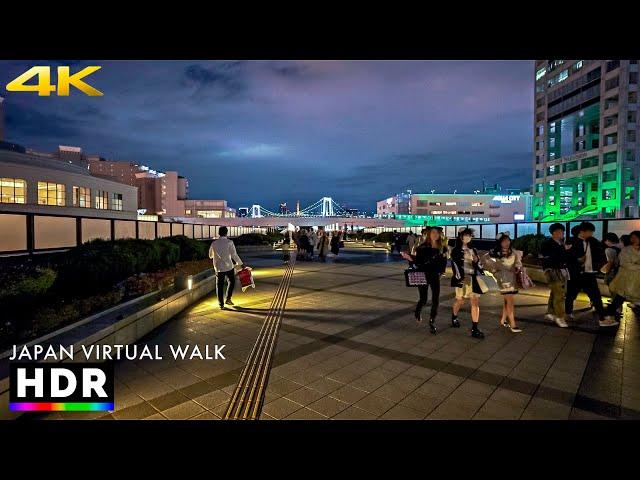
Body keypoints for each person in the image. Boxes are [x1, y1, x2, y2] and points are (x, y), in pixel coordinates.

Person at [565, 221, 618, 327]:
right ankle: (568, 312)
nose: (591, 234)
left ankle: (602, 319)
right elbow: (566, 257)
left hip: (590, 273)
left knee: (596, 296)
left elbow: (600, 253)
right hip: (576, 273)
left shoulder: (592, 241)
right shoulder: (572, 241)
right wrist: (577, 260)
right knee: (571, 294)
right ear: (582, 231)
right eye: (590, 232)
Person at [408, 227, 447, 334]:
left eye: (437, 233)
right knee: (423, 299)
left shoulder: (442, 248)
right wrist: (410, 258)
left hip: (435, 276)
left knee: (436, 300)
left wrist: (442, 272)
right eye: (433, 232)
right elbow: (418, 261)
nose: (435, 234)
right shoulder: (422, 247)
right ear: (429, 234)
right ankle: (417, 311)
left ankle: (432, 321)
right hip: (423, 275)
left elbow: (443, 262)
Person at [482, 233, 523, 333]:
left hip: (512, 279)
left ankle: (503, 320)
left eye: (508, 240)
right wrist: (495, 271)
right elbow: (485, 261)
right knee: (510, 300)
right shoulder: (495, 253)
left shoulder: (513, 252)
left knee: (507, 300)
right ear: (499, 243)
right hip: (503, 280)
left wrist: (518, 268)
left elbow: (518, 264)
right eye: (504, 241)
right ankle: (513, 324)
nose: (507, 243)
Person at [450, 228, 485, 339]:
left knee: (475, 303)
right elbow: (454, 265)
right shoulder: (455, 250)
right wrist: (460, 278)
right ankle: (454, 316)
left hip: (473, 279)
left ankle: (475, 328)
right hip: (462, 279)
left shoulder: (473, 249)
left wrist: (477, 261)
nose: (468, 237)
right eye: (466, 235)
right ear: (461, 237)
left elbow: (479, 266)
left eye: (469, 235)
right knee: (460, 301)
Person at [540, 223, 571, 328]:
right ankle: (560, 316)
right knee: (560, 295)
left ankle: (550, 313)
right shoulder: (548, 244)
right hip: (552, 271)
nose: (563, 234)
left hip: (561, 271)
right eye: (561, 232)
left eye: (563, 232)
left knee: (555, 292)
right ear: (555, 233)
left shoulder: (561, 243)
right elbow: (545, 257)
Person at [606, 230, 640, 318]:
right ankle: (608, 314)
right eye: (632, 237)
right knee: (620, 297)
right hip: (625, 278)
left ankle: (609, 313)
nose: (633, 239)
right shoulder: (626, 250)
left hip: (637, 279)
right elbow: (625, 263)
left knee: (621, 297)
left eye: (636, 237)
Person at [209, 226, 244, 309]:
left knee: (219, 285)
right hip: (229, 266)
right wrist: (240, 263)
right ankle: (228, 299)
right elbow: (234, 254)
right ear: (226, 233)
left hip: (218, 267)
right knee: (232, 281)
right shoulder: (229, 242)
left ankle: (221, 304)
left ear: (219, 233)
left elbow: (210, 256)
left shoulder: (214, 243)